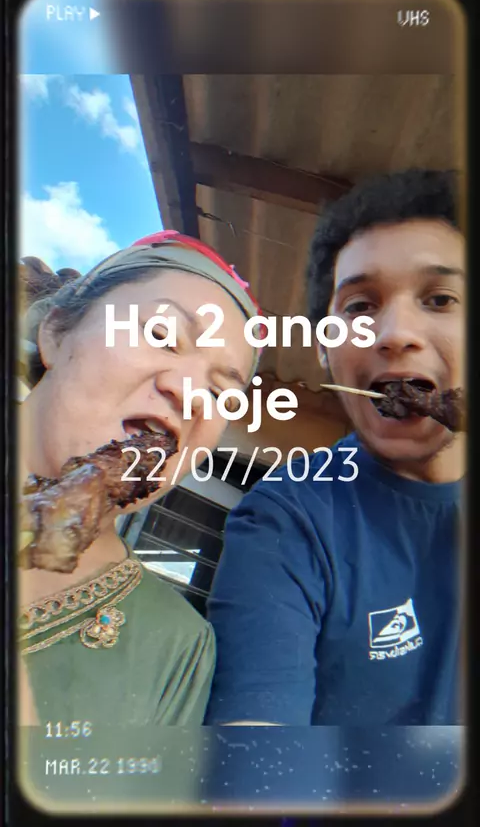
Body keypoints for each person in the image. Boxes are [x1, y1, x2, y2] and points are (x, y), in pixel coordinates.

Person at [205, 169, 465, 726]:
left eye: (440, 298)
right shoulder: (287, 517)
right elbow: (256, 751)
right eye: (359, 307)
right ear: (324, 350)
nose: (394, 334)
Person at [17, 230, 260, 727]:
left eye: (222, 394)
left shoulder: (180, 650)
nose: (190, 393)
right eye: (161, 336)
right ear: (56, 332)